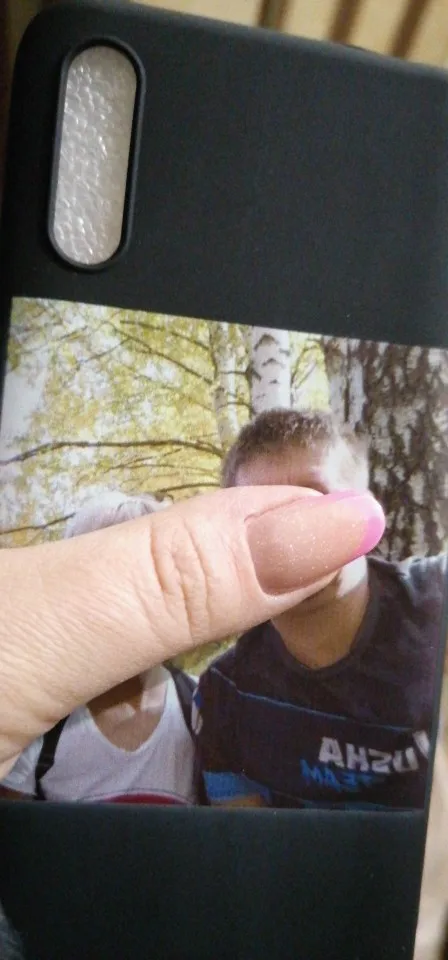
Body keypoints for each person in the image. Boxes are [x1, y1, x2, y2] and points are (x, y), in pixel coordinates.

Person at [194, 409, 446, 811]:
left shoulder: (437, 602)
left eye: (315, 502)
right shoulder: (226, 696)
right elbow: (248, 842)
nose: (292, 535)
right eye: (262, 517)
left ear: (365, 511)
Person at [0, 492, 200, 806]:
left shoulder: (198, 705)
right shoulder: (38, 720)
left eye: (148, 581)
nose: (127, 601)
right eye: (106, 581)